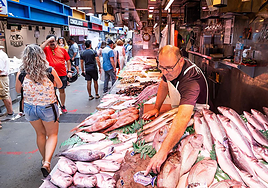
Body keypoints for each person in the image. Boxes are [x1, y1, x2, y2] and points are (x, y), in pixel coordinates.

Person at [142, 45, 208, 176]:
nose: (165, 72)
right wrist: (156, 107)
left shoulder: (191, 80)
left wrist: (162, 152)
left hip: (198, 114)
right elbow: (164, 83)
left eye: (169, 68)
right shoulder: (170, 70)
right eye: (162, 67)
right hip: (182, 108)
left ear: (181, 61)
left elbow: (183, 118)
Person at [15, 44, 63, 177]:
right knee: (52, 135)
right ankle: (47, 163)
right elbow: (60, 85)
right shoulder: (49, 71)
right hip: (48, 107)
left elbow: (18, 90)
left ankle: (44, 159)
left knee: (40, 134)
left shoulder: (22, 73)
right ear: (41, 56)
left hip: (30, 108)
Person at [41, 34, 72, 114]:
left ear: (56, 41)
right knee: (52, 91)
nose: (52, 43)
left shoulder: (62, 49)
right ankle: (55, 106)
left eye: (53, 41)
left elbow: (68, 60)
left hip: (62, 73)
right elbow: (39, 49)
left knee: (62, 90)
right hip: (49, 75)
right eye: (50, 42)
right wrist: (47, 41)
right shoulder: (45, 49)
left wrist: (69, 71)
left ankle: (63, 105)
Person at [0, 46, 14, 128]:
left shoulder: (0, 55)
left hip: (2, 78)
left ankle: (10, 113)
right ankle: (9, 112)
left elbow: (0, 69)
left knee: (5, 95)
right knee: (5, 95)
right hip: (2, 78)